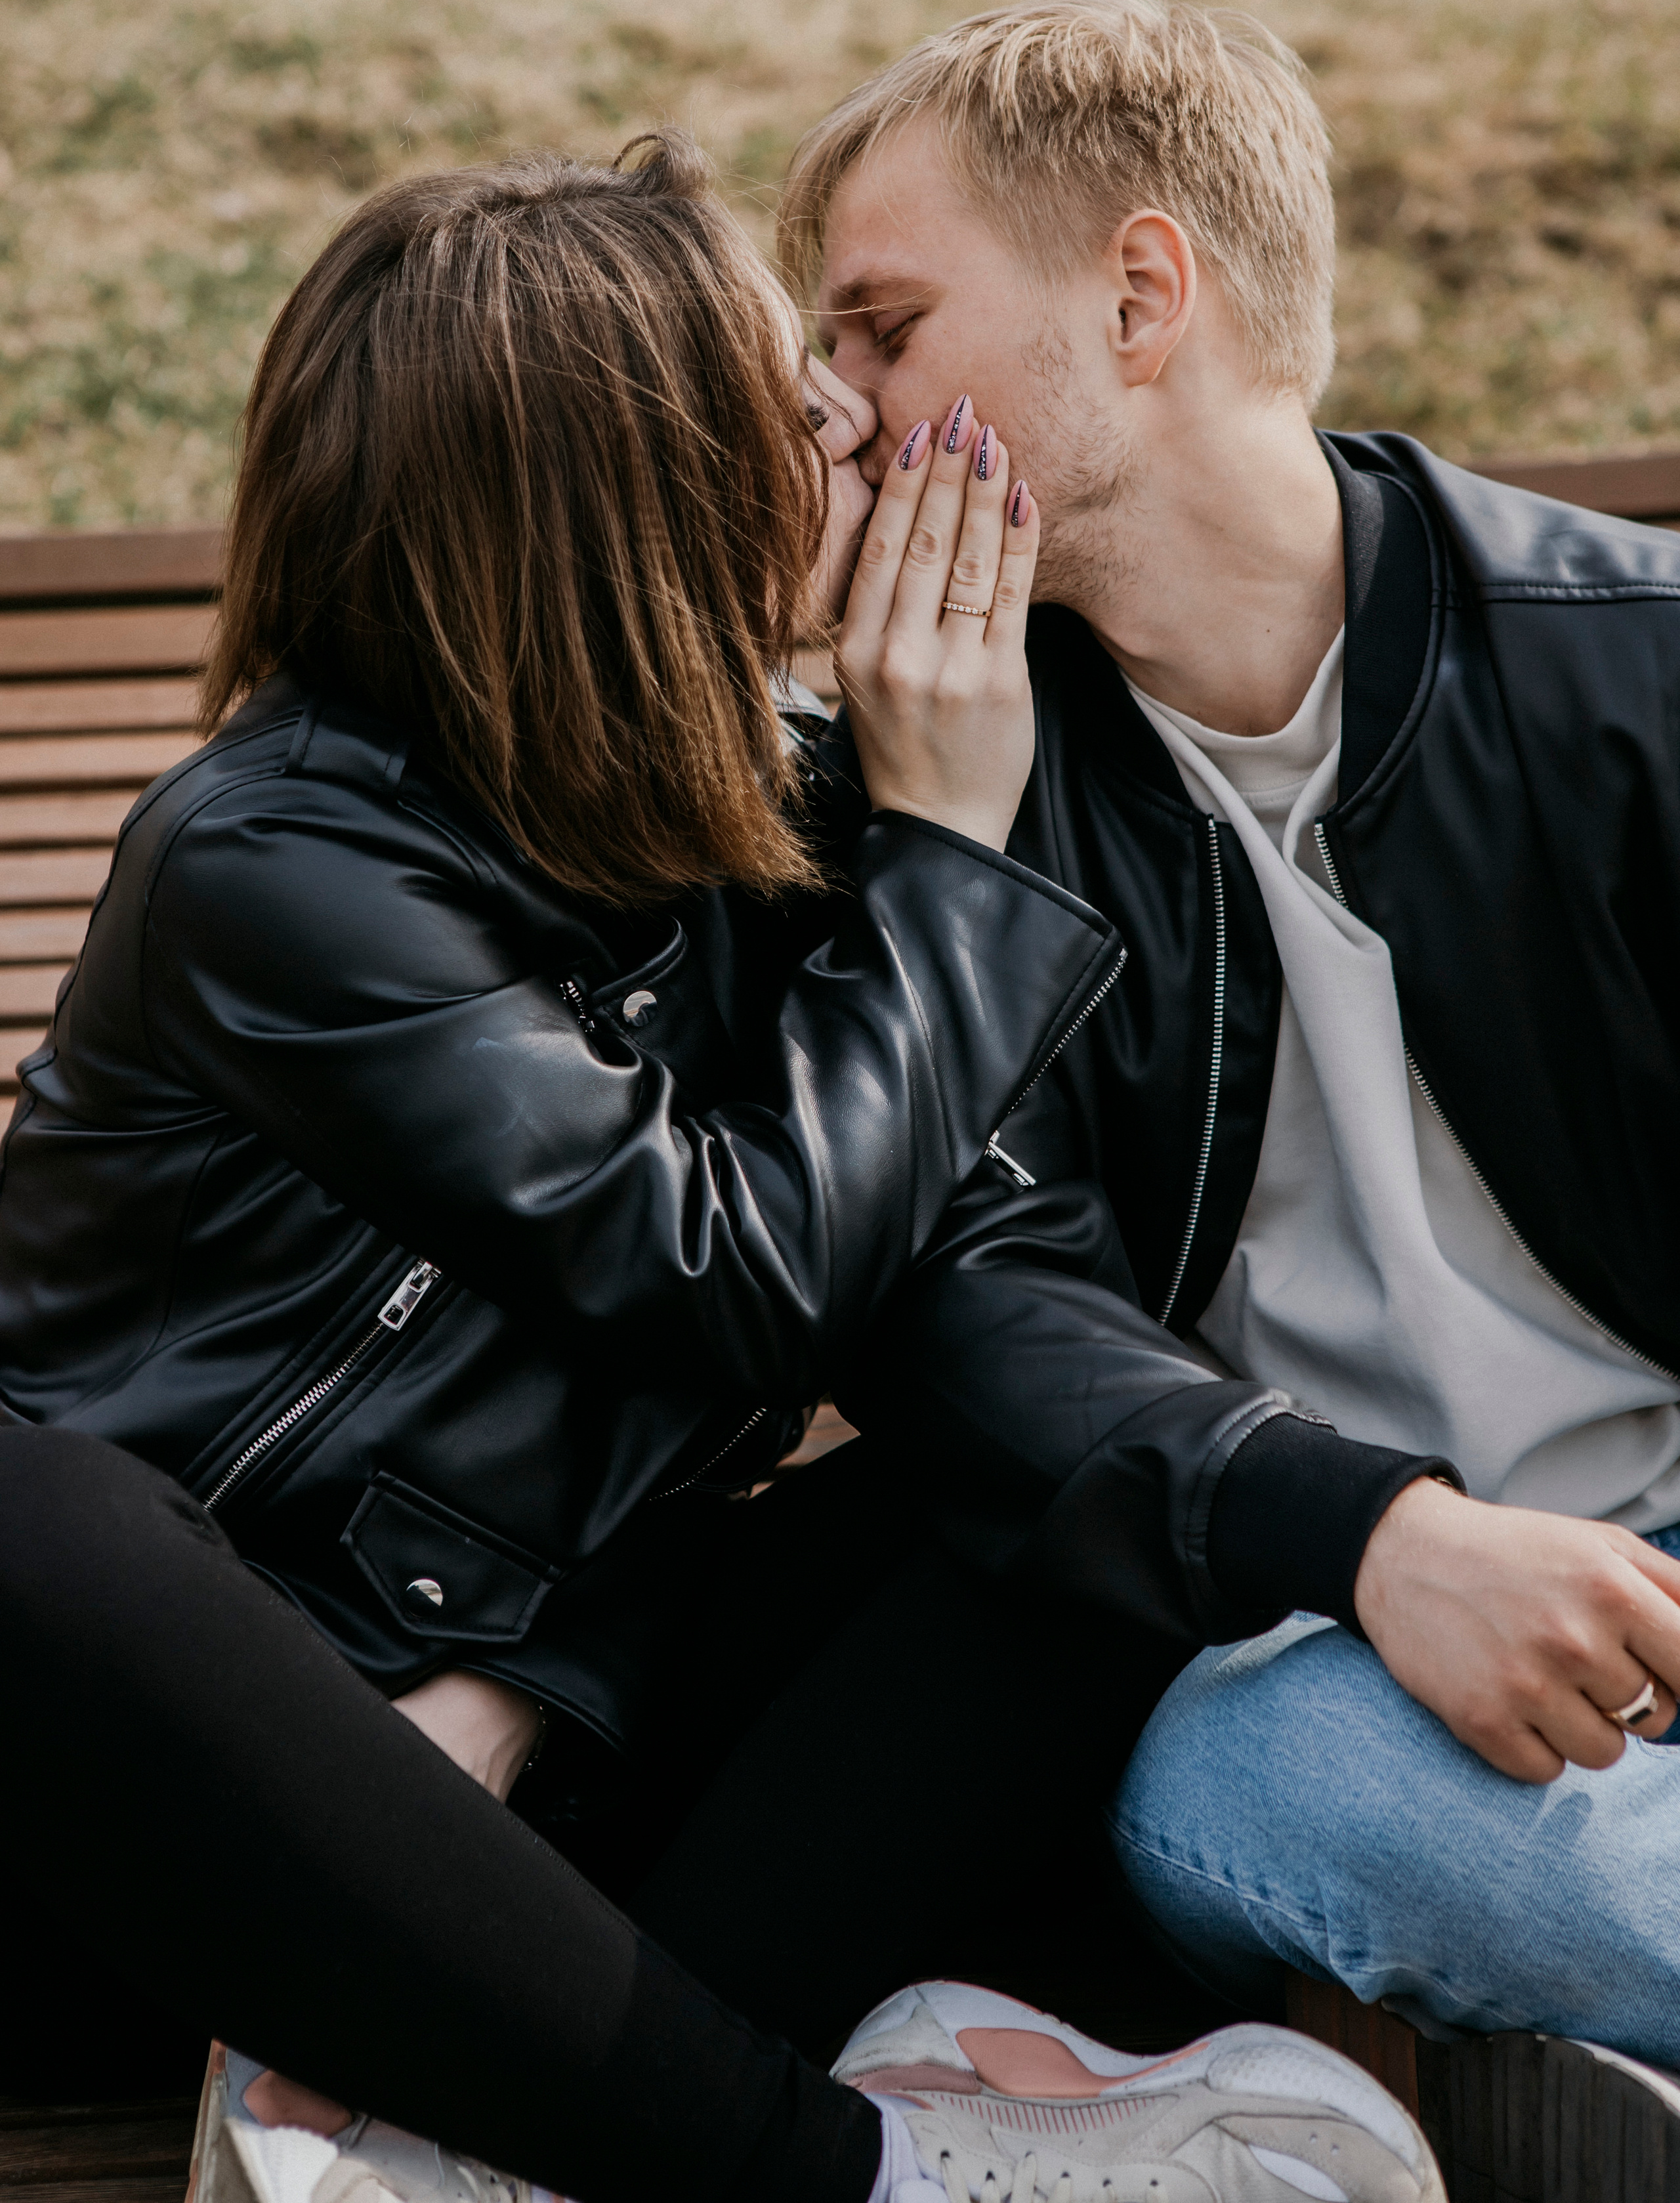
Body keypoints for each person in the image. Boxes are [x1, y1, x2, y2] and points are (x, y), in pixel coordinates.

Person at [0, 133, 1433, 2203]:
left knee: (1072, 1509)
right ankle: (831, 2176)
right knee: (26, 1523)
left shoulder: (764, 831)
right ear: (631, 494)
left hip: (521, 1844)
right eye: (791, 388)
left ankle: (465, 2149)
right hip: (155, 1856)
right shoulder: (281, 866)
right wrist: (950, 859)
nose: (852, 417)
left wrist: (525, 1685)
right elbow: (722, 1274)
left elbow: (988, 1300)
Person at [784, 0, 1680, 2103]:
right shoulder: (929, 797)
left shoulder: (1631, 677)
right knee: (1269, 1790)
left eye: (880, 331)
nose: (828, 415)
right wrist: (1384, 1537)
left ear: (1144, 295)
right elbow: (967, 1318)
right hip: (1322, 1641)